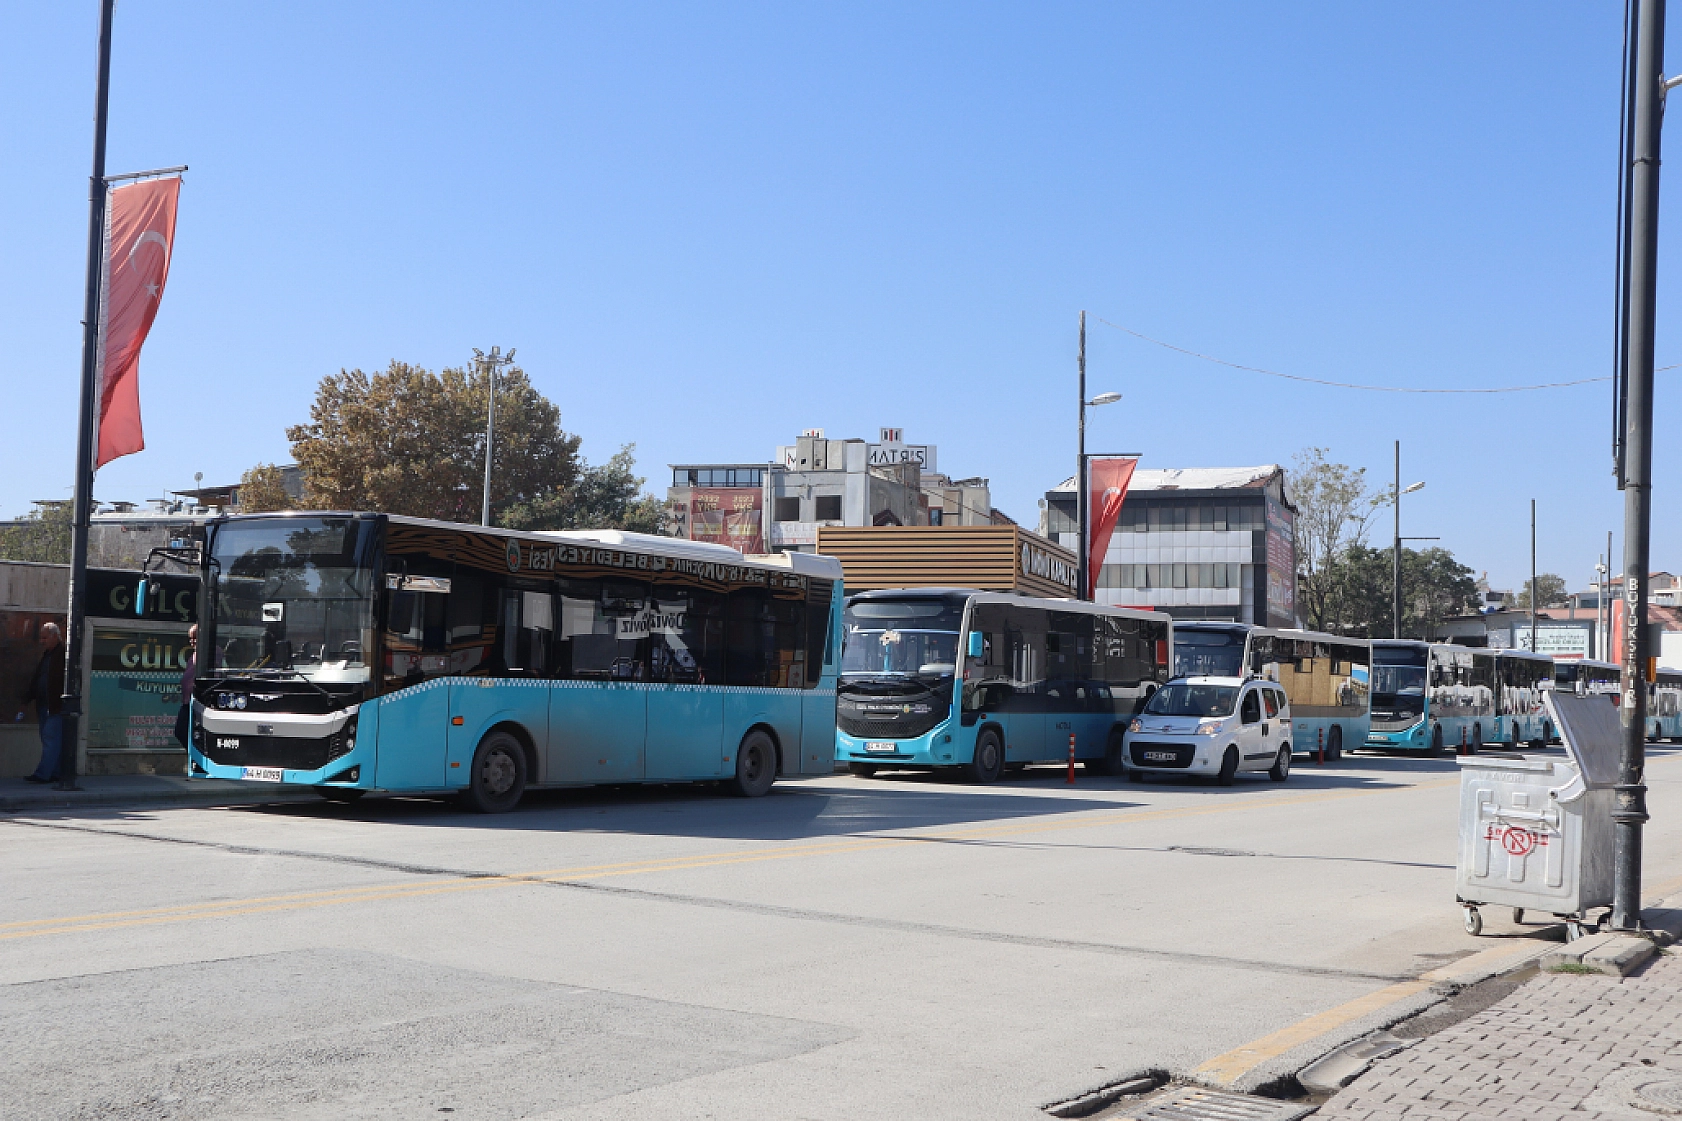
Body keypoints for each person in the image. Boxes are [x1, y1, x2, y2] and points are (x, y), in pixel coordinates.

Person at [24, 622, 66, 783]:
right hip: (44, 704)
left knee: (50, 738)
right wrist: (28, 697)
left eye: (45, 637)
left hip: (55, 705)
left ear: (55, 636)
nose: (42, 641)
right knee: (48, 738)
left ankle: (43, 774)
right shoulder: (47, 655)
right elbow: (39, 678)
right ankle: (55, 772)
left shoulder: (62, 654)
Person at [174, 624, 198, 749]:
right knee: (181, 732)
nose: (192, 642)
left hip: (196, 702)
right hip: (187, 701)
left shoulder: (210, 653)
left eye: (195, 638)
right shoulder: (193, 655)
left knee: (182, 731)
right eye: (190, 639)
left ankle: (197, 755)